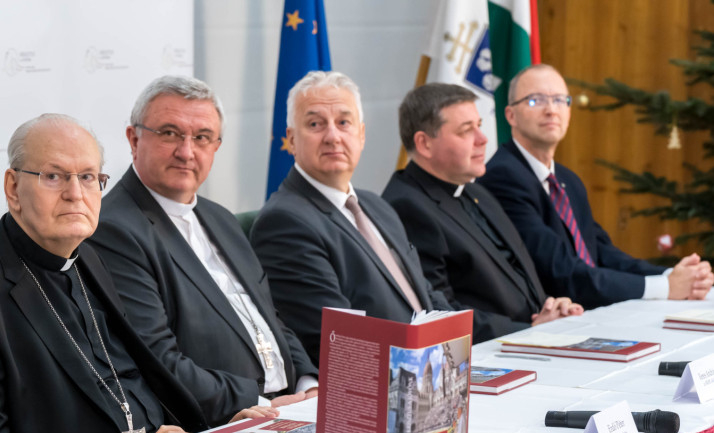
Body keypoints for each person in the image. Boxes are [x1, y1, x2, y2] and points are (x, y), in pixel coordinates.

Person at [0, 114, 275, 433]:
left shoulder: (87, 257)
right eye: (54, 176)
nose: (75, 194)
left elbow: (136, 379)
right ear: (13, 188)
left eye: (88, 177)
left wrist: (215, 426)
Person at [90, 76, 318, 421]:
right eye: (170, 133)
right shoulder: (113, 230)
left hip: (288, 408)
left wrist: (308, 384)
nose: (186, 151)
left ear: (215, 146)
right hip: (220, 422)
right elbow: (157, 360)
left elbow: (271, 319)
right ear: (134, 139)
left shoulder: (221, 218)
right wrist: (262, 405)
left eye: (201, 137)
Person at [250, 71, 452, 365]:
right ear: (291, 140)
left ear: (361, 134)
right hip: (386, 377)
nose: (333, 136)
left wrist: (460, 350)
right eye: (315, 124)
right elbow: (339, 341)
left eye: (344, 123)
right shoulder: (284, 223)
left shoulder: (376, 205)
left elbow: (426, 295)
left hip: (438, 368)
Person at [480, 64, 714, 308]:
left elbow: (602, 252)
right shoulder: (503, 176)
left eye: (560, 100)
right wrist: (665, 287)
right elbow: (559, 271)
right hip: (547, 317)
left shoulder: (568, 180)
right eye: (535, 100)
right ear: (511, 115)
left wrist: (673, 276)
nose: (551, 110)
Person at [382, 83, 582, 341]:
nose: (483, 138)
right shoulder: (407, 206)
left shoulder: (477, 192)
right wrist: (529, 330)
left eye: (479, 125)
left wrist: (552, 308)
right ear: (424, 143)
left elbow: (520, 275)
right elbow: (440, 311)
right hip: (490, 352)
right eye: (466, 130)